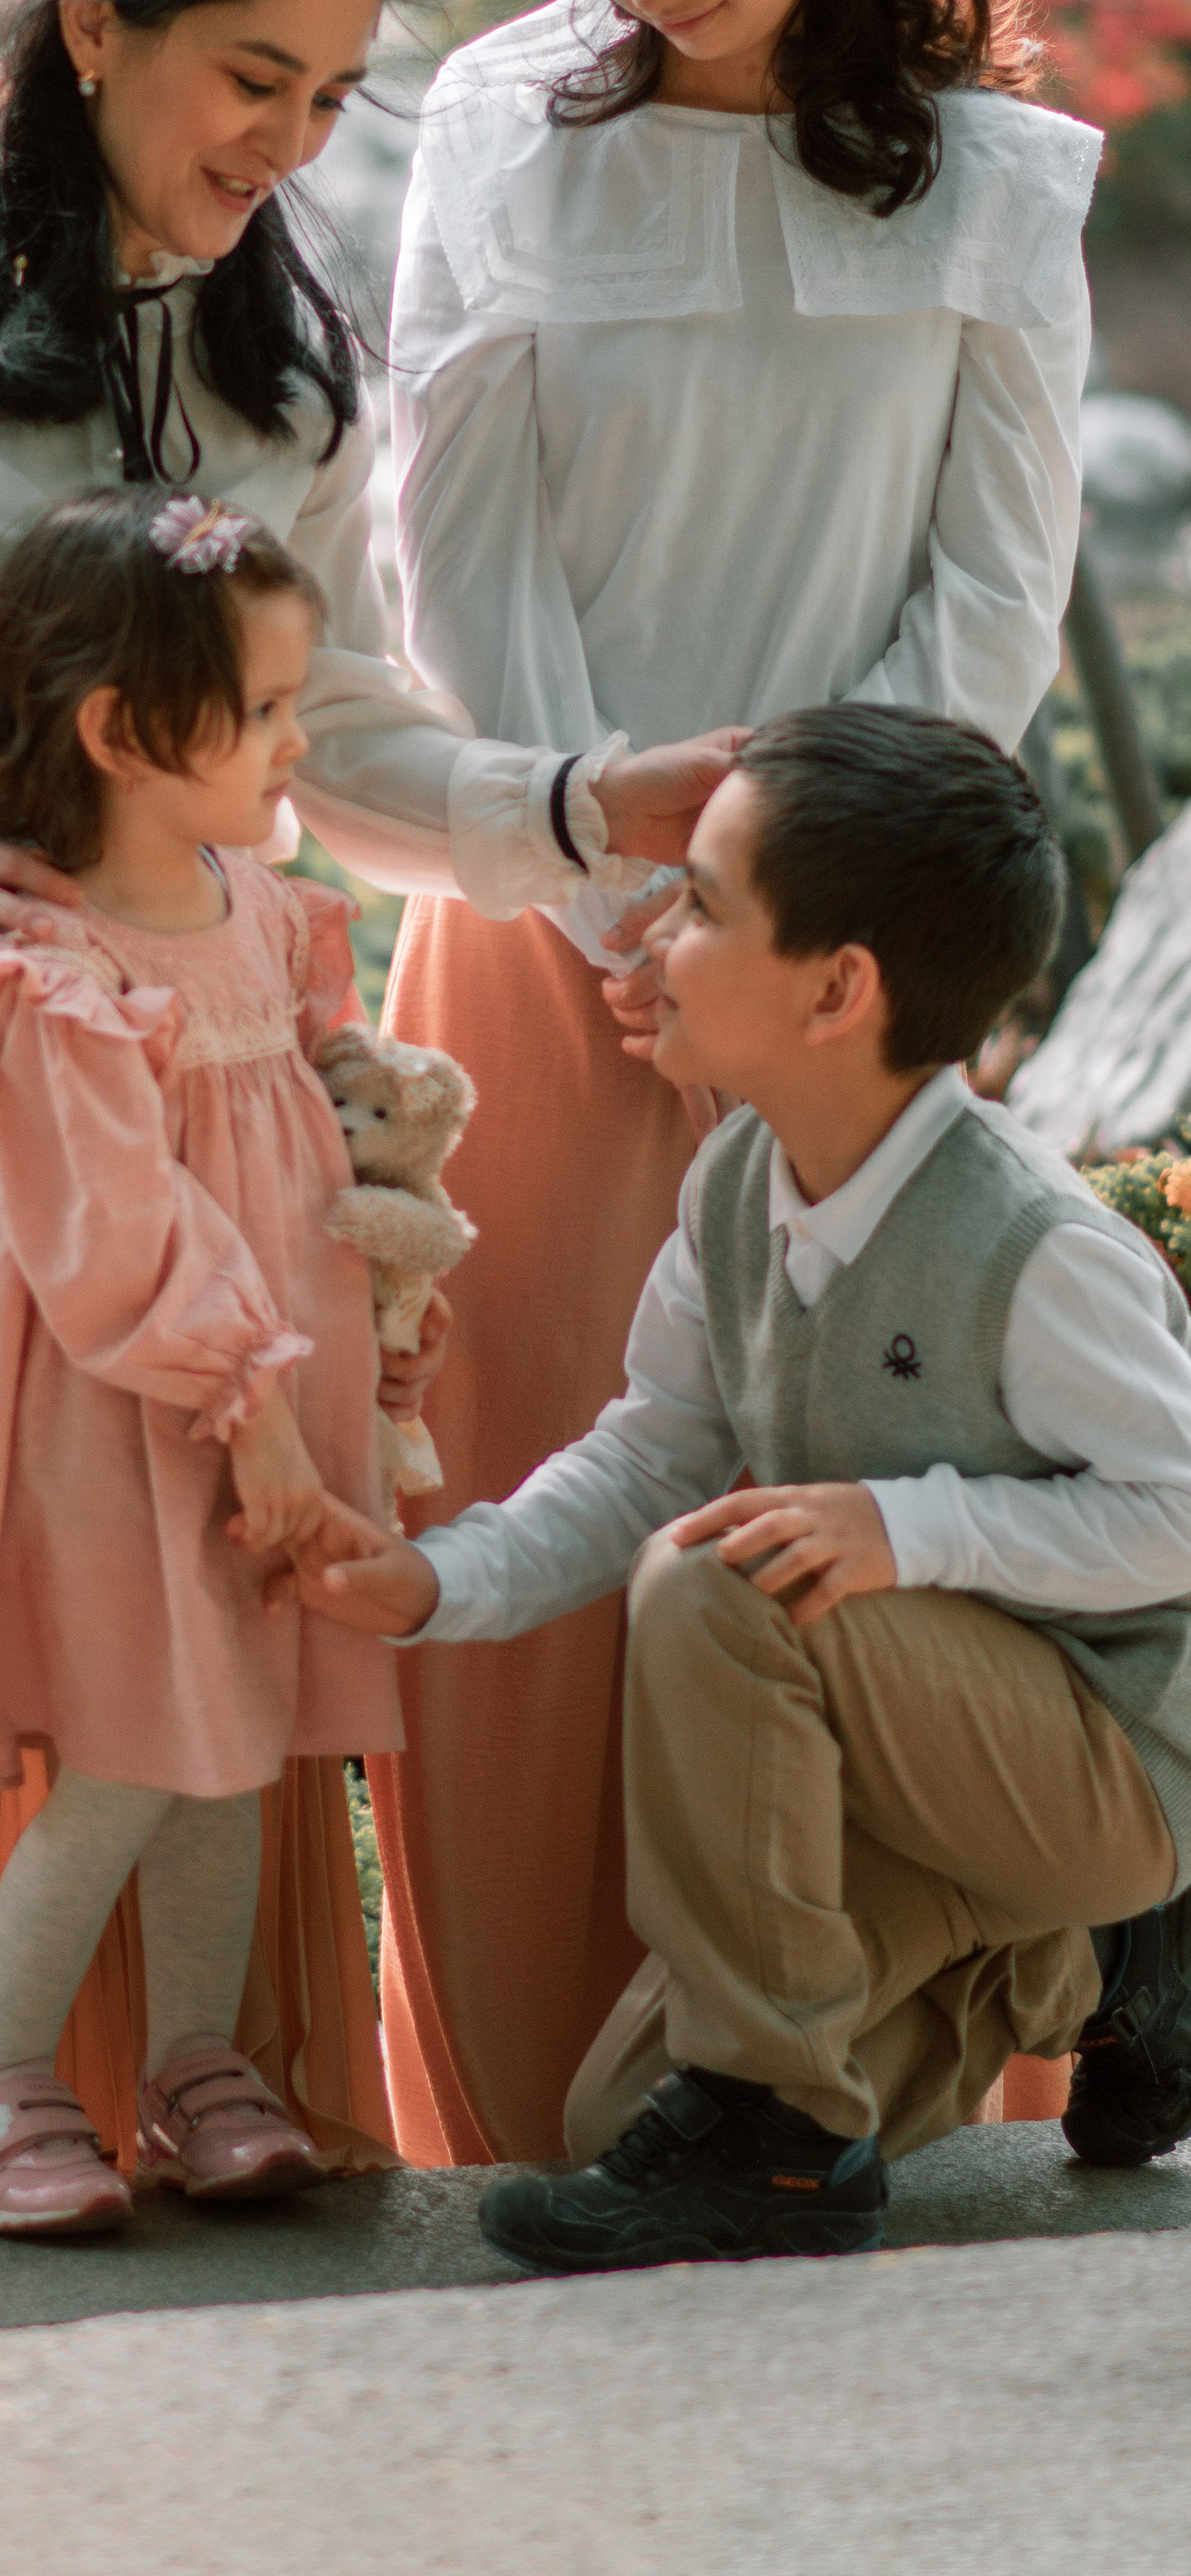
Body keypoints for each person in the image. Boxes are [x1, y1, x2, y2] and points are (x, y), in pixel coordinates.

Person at [0, 0, 737, 2171]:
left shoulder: (292, 377)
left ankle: (198, 2068)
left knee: (213, 1606)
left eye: (333, 96)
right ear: (88, 33)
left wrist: (585, 808)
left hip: (208, 1098)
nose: (287, 137)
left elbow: (338, 741)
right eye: (251, 74)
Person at [370, 0, 1103, 2165]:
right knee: (545, 1478)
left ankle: (834, 2077)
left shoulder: (999, 177)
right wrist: (604, 860)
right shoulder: (495, 121)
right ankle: (517, 2103)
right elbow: (436, 533)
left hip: (852, 957)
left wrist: (795, 908)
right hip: (544, 898)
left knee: (823, 1530)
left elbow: (990, 598)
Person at [292, 706, 1191, 2271]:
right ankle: (1082, 1981)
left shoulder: (1036, 1247)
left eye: (703, 904)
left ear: (839, 990)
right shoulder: (733, 1186)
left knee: (716, 1581)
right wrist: (443, 1579)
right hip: (920, 1769)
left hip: (1108, 1758)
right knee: (622, 2110)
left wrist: (906, 1527)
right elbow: (649, 1454)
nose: (653, 929)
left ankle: (793, 2134)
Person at [0, 490, 401, 2233]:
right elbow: (114, 1230)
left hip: (269, 1397)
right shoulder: (50, 972)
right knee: (130, 1745)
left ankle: (194, 2062)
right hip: (141, 1413)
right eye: (262, 712)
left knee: (233, 1731)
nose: (292, 741)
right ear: (121, 732)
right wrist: (250, 1414)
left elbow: (314, 1093)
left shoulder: (252, 906)